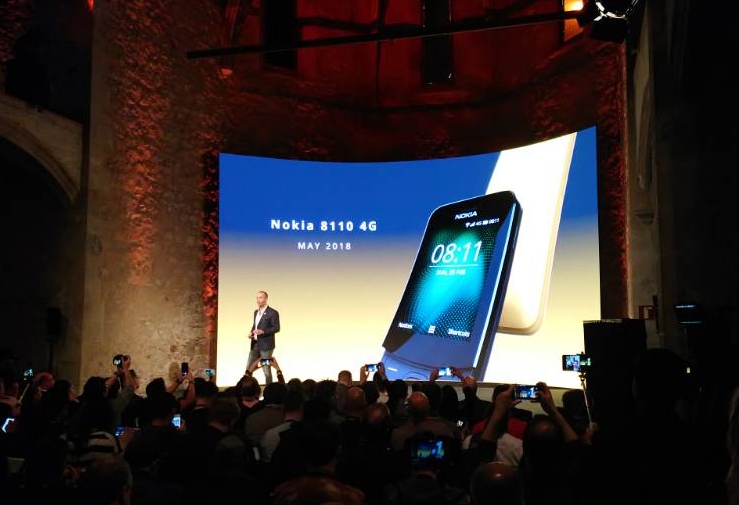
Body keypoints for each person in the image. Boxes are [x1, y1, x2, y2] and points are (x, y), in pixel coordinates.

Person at [246, 290, 280, 384]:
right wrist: (251, 333)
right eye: (257, 298)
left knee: (266, 370)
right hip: (255, 344)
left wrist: (263, 331)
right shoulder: (255, 312)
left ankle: (269, 389)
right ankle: (247, 388)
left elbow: (276, 328)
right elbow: (255, 326)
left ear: (266, 299)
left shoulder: (272, 312)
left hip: (266, 346)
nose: (258, 300)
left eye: (260, 297)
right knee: (249, 368)